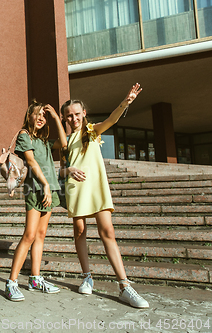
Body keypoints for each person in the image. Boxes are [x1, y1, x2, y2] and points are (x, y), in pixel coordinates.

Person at [60, 83, 149, 309]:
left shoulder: (91, 131)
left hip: (96, 187)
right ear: (64, 118)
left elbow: (112, 120)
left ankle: (124, 285)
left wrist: (126, 102)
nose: (73, 119)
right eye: (69, 116)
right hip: (76, 188)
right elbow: (58, 170)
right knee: (79, 231)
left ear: (84, 114)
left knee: (107, 231)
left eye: (77, 114)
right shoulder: (64, 142)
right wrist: (67, 170)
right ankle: (87, 276)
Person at [4, 101, 68, 301]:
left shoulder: (44, 139)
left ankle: (35, 278)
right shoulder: (25, 135)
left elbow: (64, 143)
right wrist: (45, 184)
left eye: (44, 115)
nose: (41, 117)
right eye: (37, 114)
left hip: (50, 190)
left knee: (40, 234)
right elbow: (30, 161)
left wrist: (57, 118)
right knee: (29, 235)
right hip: (36, 189)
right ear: (28, 116)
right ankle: (12, 282)